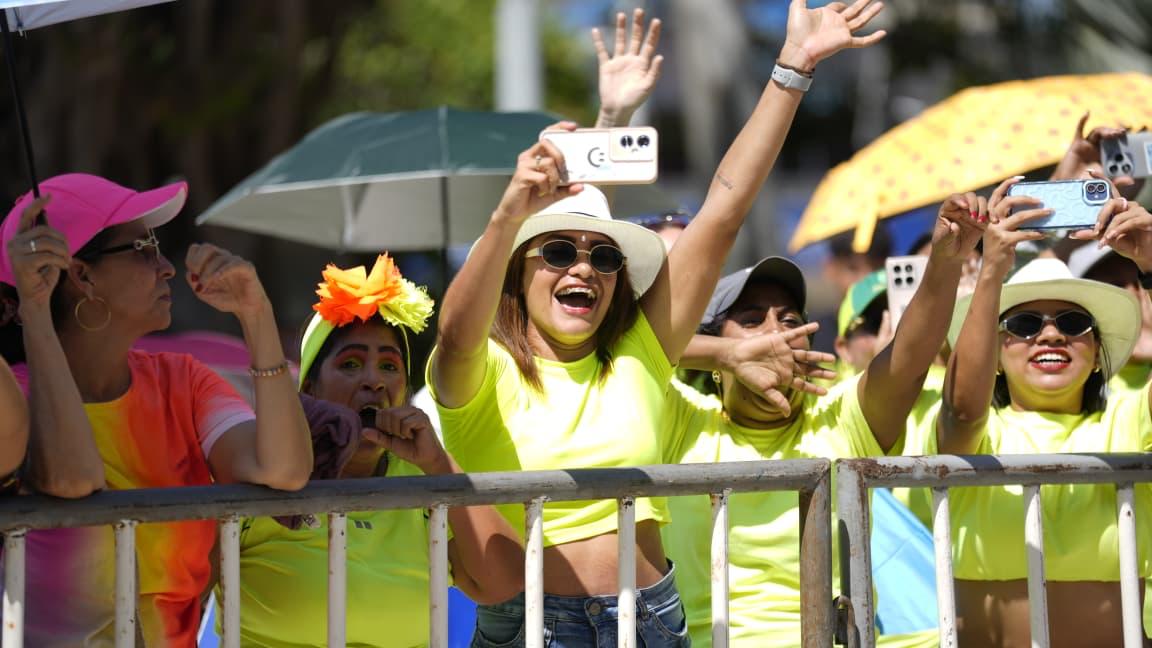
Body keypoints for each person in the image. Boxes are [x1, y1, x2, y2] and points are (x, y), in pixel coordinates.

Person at [428, 3, 887, 644]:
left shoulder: (637, 356)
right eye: (557, 252)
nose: (583, 269)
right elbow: (455, 333)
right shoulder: (483, 370)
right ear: (516, 270)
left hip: (651, 622)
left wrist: (793, 69)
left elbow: (725, 207)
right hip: (528, 628)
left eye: (605, 258)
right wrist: (509, 214)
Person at [0, 173, 313, 646]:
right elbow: (72, 479)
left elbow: (283, 470)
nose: (166, 267)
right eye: (143, 248)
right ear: (82, 276)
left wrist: (256, 314)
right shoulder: (13, 397)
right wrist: (37, 312)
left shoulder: (182, 380)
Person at [663, 188, 984, 646]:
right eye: (751, 321)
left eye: (790, 321)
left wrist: (946, 260)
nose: (776, 334)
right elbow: (623, 346)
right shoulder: (681, 420)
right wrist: (727, 354)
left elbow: (909, 358)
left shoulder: (839, 419)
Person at [232, 255, 522, 646]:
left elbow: (503, 583)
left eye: (389, 366)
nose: (374, 381)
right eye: (351, 364)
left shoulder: (424, 485)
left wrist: (440, 466)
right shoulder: (262, 472)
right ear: (310, 390)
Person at [935, 175, 1152, 647]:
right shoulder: (981, 434)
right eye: (1024, 323)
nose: (1050, 335)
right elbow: (962, 412)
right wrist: (992, 270)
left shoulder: (1132, 419)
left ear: (1097, 354)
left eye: (1073, 323)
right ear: (994, 353)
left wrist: (1151, 263)